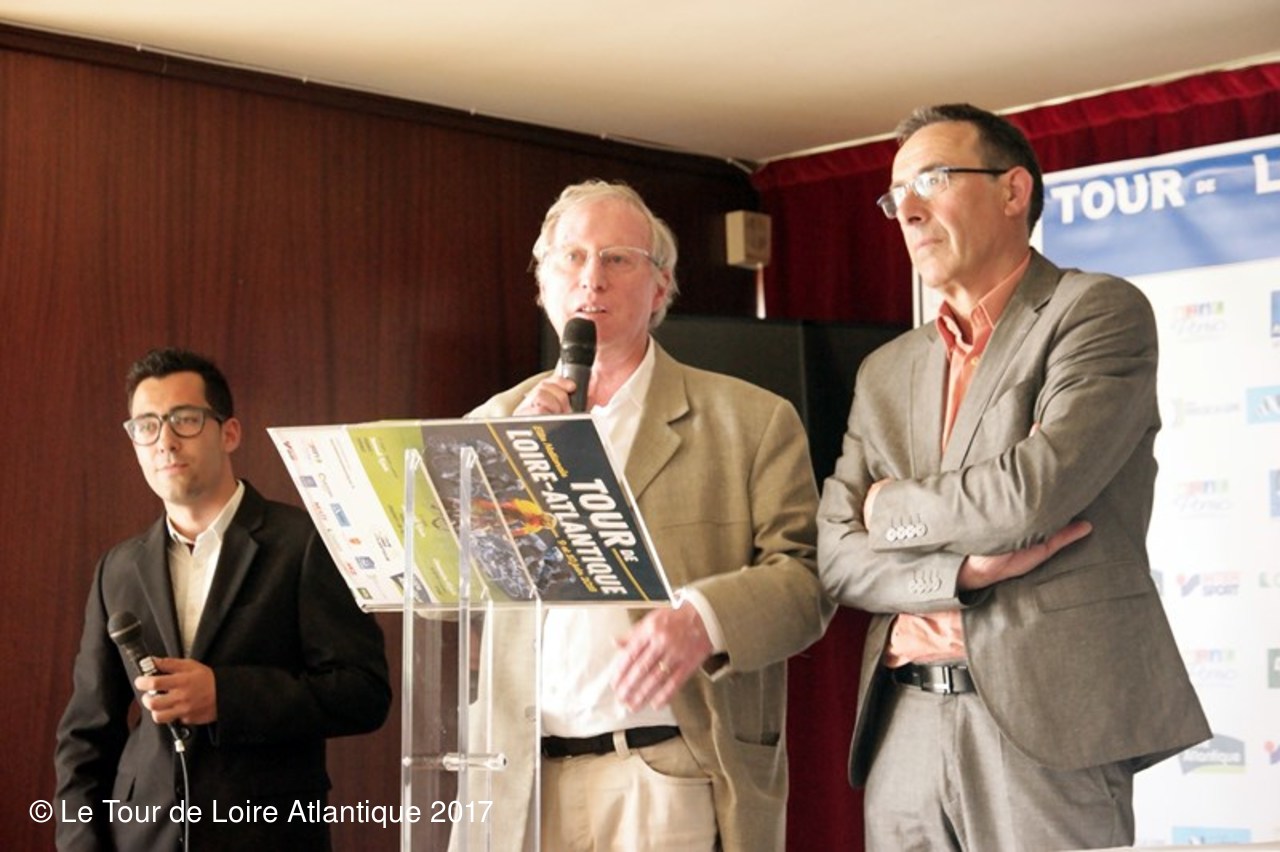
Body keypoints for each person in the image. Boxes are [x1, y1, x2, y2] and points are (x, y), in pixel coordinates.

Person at [817, 103, 1211, 851]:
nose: (908, 210)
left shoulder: (1095, 312)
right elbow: (837, 557)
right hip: (904, 720)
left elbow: (1030, 495)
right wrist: (961, 573)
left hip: (1044, 725)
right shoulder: (885, 369)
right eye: (895, 195)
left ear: (1013, 190)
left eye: (932, 179)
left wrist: (889, 509)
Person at [467, 180, 831, 851]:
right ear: (542, 284)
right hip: (517, 784)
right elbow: (438, 595)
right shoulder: (491, 427)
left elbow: (808, 583)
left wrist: (704, 619)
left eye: (617, 259)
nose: (591, 278)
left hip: (664, 773)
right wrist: (514, 467)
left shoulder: (751, 421)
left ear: (661, 286)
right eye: (571, 258)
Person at [54, 348, 392, 851]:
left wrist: (226, 696)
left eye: (184, 420)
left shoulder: (306, 543)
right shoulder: (117, 569)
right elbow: (86, 735)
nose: (165, 440)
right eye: (146, 426)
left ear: (229, 433)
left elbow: (364, 694)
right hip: (141, 837)